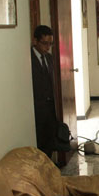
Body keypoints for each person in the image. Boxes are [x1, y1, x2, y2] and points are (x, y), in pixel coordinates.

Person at [30, 25, 58, 159]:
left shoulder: (49, 58)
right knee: (39, 142)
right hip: (36, 108)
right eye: (44, 43)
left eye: (50, 44)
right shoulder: (28, 60)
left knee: (50, 140)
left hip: (49, 107)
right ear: (35, 41)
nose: (47, 47)